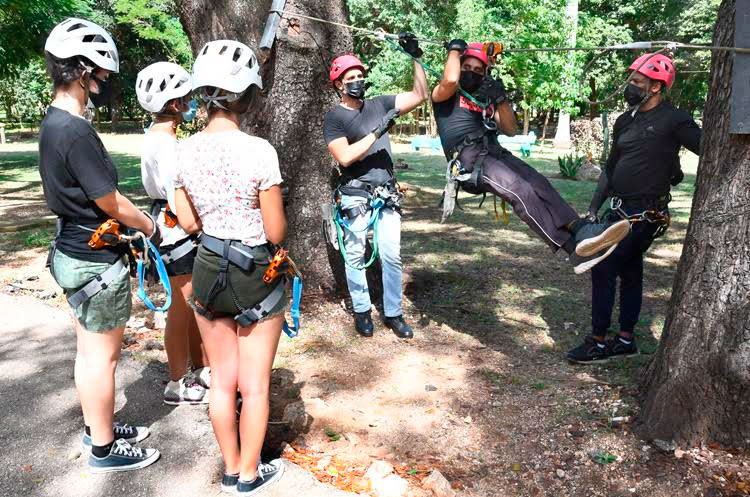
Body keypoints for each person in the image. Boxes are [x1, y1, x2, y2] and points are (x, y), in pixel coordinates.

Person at [39, 18, 160, 472]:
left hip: (71, 251)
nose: (105, 84)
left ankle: (98, 426)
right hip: (94, 260)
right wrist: (149, 225)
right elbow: (109, 200)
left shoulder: (53, 122)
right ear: (84, 69)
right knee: (102, 360)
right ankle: (105, 450)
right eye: (104, 76)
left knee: (87, 353)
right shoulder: (75, 131)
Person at [172, 39, 286, 494]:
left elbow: (187, 220)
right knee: (254, 387)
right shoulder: (260, 151)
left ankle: (229, 468)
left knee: (222, 383)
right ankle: (250, 475)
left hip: (207, 267)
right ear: (247, 96)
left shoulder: (185, 151)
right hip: (253, 271)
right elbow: (275, 232)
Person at [432, 40, 632, 274]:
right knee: (520, 190)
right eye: (467, 67)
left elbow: (510, 129)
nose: (472, 74)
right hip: (468, 161)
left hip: (493, 151)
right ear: (458, 64)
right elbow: (451, 79)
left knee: (538, 183)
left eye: (479, 70)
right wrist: (455, 49)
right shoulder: (444, 95)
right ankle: (572, 250)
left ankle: (581, 230)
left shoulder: (484, 96)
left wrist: (500, 100)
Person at [566, 53, 701, 363]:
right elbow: (611, 169)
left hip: (646, 212)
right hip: (619, 209)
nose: (630, 86)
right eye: (631, 79)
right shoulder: (625, 120)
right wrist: (593, 208)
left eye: (637, 82)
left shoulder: (675, 119)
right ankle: (625, 339)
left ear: (655, 87)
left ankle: (598, 343)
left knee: (602, 265)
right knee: (629, 270)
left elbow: (707, 146)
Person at [323, 33, 428, 338]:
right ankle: (361, 310)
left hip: (386, 193)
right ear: (339, 85)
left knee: (391, 254)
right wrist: (376, 133)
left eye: (359, 75)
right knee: (355, 254)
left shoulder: (380, 104)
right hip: (355, 195)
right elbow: (344, 157)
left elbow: (420, 95)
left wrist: (416, 57)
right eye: (350, 77)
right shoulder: (335, 118)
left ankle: (394, 313)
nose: (357, 80)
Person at [135, 61, 210, 405]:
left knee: (192, 305)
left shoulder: (159, 137)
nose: (191, 102)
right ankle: (177, 381)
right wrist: (201, 226)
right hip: (176, 232)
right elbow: (177, 197)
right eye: (186, 97)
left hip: (171, 227)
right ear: (174, 105)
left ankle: (198, 369)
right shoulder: (165, 146)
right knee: (181, 310)